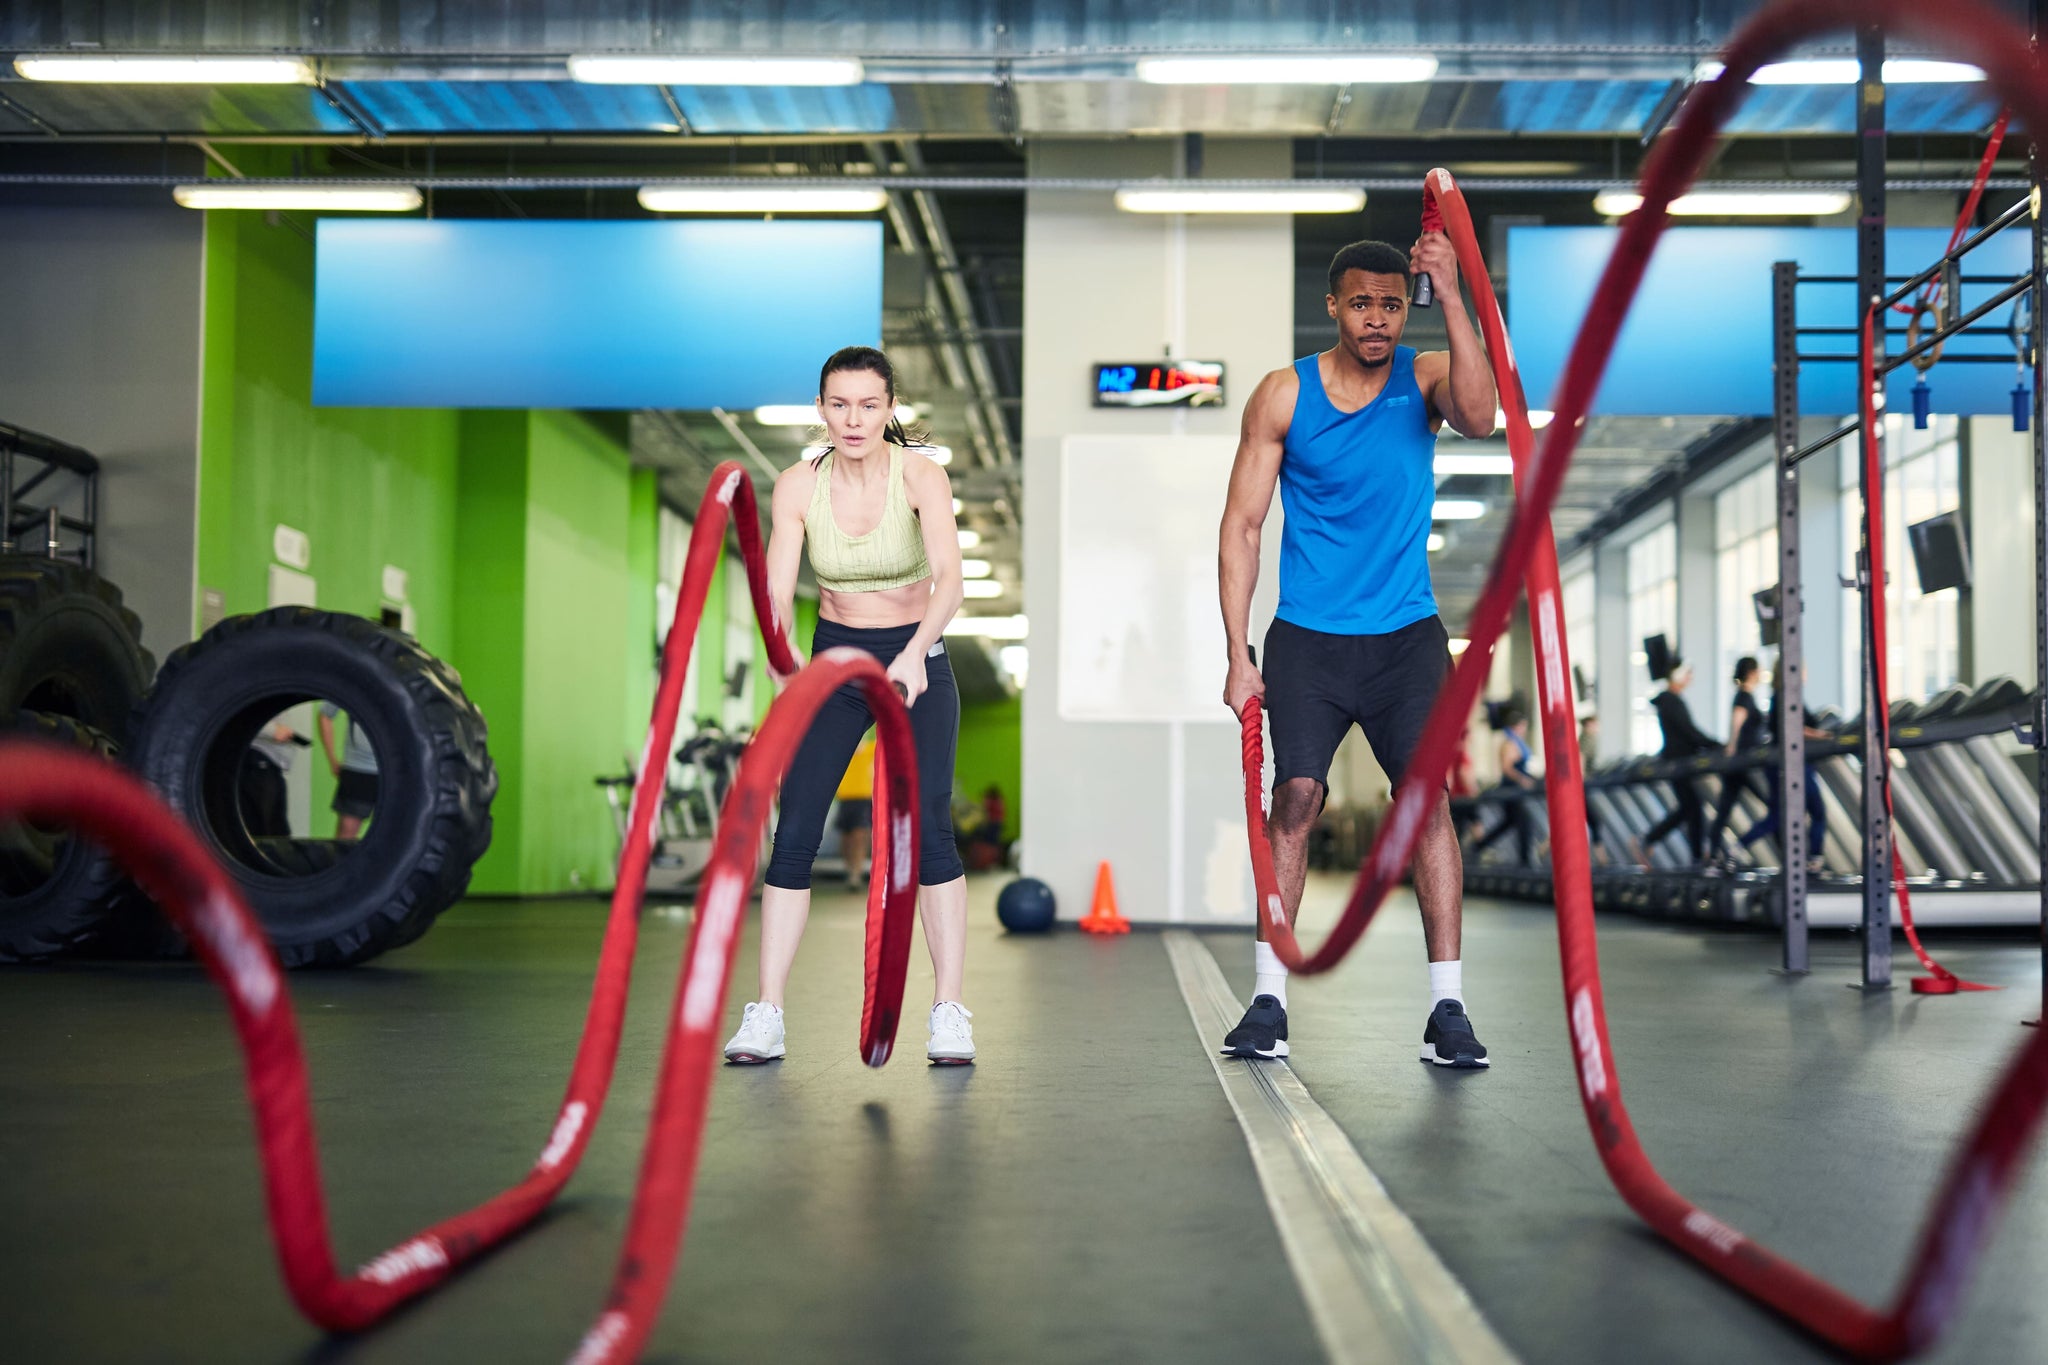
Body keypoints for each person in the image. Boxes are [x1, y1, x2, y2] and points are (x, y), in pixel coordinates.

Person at [1218, 231, 1498, 1069]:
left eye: (1390, 302)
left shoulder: (1423, 379)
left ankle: (1447, 1008)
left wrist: (1450, 293)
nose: (1377, 319)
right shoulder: (1282, 396)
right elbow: (1242, 525)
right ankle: (1269, 996)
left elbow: (1483, 420)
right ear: (1334, 306)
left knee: (1426, 803)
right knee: (1296, 797)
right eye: (1361, 303)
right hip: (1308, 634)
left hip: (1407, 636)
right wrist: (1237, 652)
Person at [723, 345, 973, 1067]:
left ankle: (949, 1009)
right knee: (796, 827)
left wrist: (916, 650)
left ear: (890, 409)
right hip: (835, 654)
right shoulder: (797, 487)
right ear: (822, 409)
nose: (854, 418)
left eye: (869, 404)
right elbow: (776, 591)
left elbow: (950, 582)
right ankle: (766, 1011)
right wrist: (785, 665)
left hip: (915, 652)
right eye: (839, 404)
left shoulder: (921, 476)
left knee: (931, 828)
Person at [1738, 659, 1830, 872]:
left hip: (1786, 763)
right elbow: (1793, 727)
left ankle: (1740, 847)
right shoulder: (1785, 696)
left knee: (1782, 815)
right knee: (1809, 812)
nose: (1806, 672)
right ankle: (1813, 859)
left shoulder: (1780, 696)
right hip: (1792, 763)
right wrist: (1822, 736)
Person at [1631, 657, 1717, 865]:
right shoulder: (1672, 701)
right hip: (1679, 762)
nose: (1690, 679)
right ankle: (1695, 857)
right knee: (1693, 808)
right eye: (1687, 675)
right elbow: (1688, 731)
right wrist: (1716, 745)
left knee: (1689, 808)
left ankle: (1651, 840)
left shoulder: (1668, 701)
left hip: (1677, 761)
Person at [1707, 656, 1770, 864]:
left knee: (1725, 808)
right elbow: (1737, 721)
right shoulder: (1744, 696)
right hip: (1743, 761)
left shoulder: (1745, 696)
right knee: (1775, 807)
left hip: (1743, 761)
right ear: (1752, 673)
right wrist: (1732, 747)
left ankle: (1715, 852)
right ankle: (1731, 847)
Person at [1466, 708, 1540, 864]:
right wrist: (1523, 780)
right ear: (1517, 726)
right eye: (1523, 726)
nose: (1525, 730)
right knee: (1524, 823)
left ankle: (1479, 846)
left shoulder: (1516, 742)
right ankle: (1525, 861)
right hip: (1512, 790)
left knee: (1509, 823)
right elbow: (1507, 768)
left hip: (1516, 789)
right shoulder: (1509, 744)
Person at [317, 701, 378, 841]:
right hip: (358, 768)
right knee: (346, 835)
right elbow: (325, 715)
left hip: (397, 770)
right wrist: (332, 760)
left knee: (395, 836)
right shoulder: (355, 682)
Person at [835, 737, 875, 891]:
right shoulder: (843, 748)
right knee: (845, 839)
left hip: (863, 798)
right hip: (845, 799)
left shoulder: (870, 748)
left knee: (859, 835)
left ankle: (855, 874)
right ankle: (850, 869)